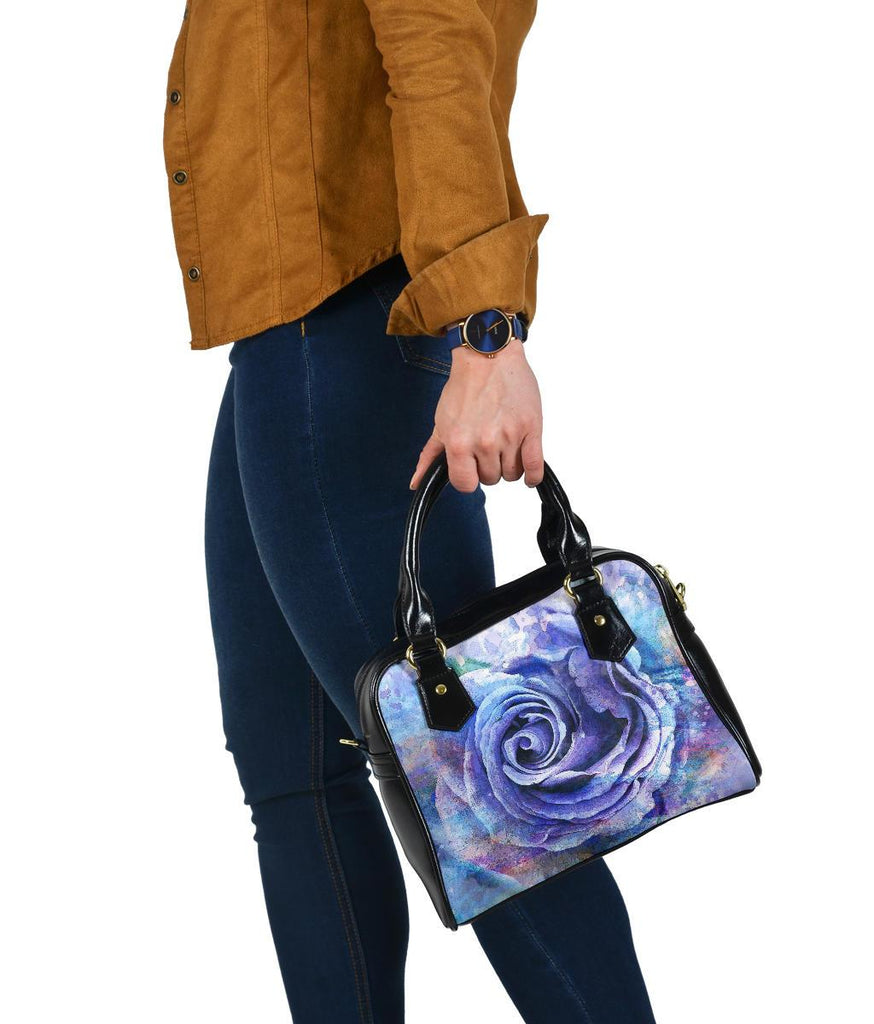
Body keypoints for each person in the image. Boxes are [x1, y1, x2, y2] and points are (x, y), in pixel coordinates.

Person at [163, 2, 656, 1021]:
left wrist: (486, 328)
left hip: (349, 330)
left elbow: (438, 44)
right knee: (297, 776)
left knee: (484, 791)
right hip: (286, 340)